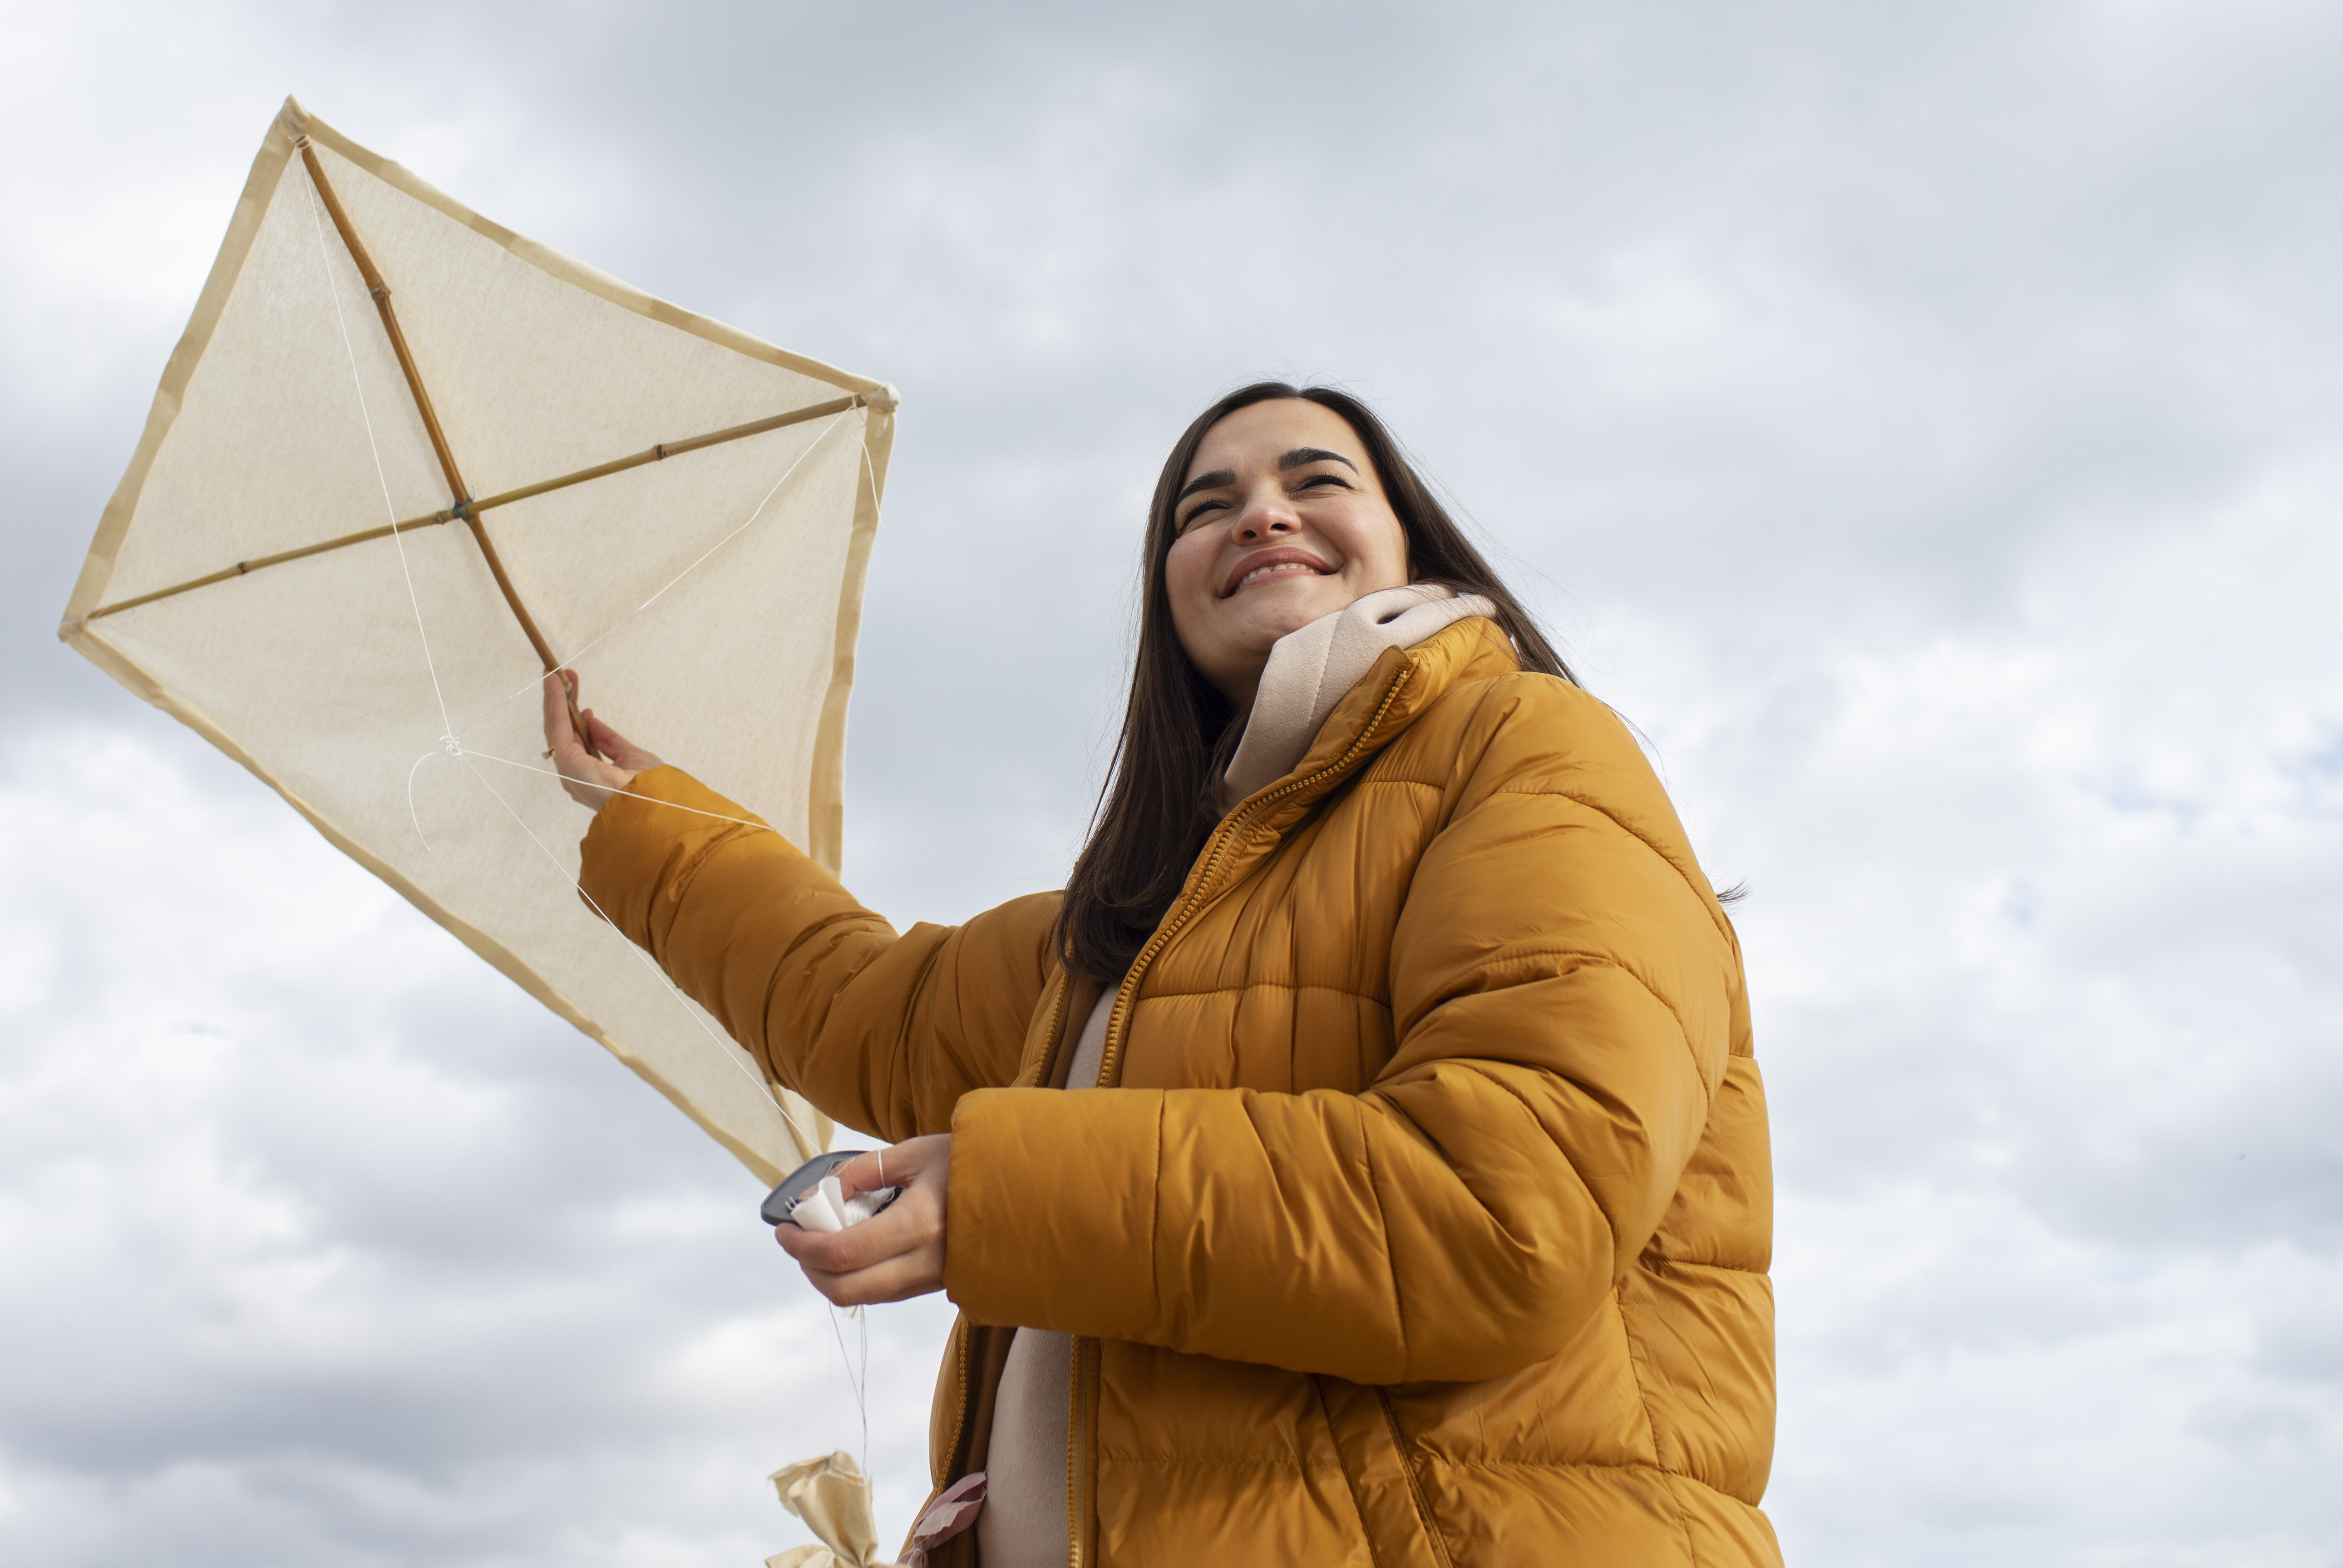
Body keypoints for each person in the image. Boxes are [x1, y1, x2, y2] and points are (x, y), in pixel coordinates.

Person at [543, 382, 1777, 1568]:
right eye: (1206, 506)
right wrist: (649, 815)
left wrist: (1005, 1199)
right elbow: (861, 1004)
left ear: (1411, 547)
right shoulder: (1121, 931)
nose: (1260, 513)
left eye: (1316, 479)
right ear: (1167, 596)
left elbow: (1511, 1207)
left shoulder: (1530, 751)